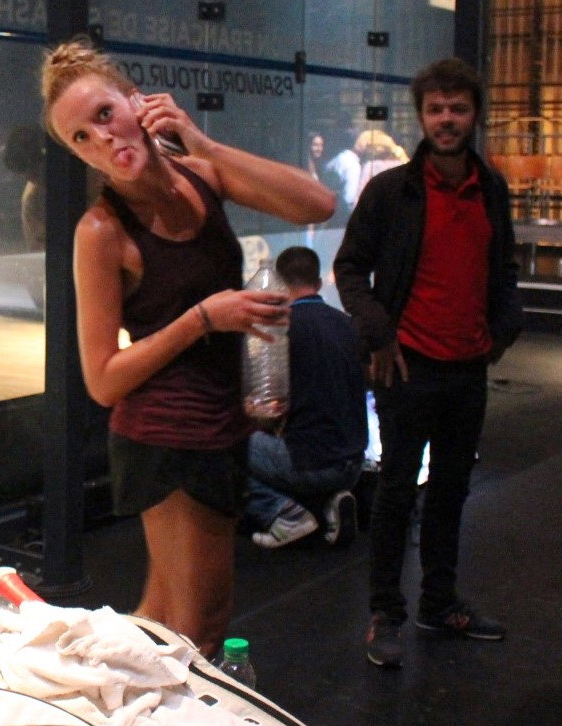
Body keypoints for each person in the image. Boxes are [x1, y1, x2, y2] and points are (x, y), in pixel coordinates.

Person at [40, 36, 335, 658]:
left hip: (221, 423)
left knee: (168, 617)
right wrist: (203, 318)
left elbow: (316, 202)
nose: (103, 140)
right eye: (81, 138)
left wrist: (202, 142)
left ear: (137, 101)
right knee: (195, 629)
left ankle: (87, 689)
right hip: (166, 435)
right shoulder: (100, 232)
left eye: (104, 114)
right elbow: (102, 379)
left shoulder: (200, 174)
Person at [333, 57, 524, 669]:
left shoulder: (490, 188)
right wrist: (378, 332)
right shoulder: (392, 191)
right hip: (407, 368)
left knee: (450, 490)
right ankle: (385, 614)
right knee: (396, 492)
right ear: (420, 116)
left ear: (474, 115)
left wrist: (503, 330)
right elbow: (349, 268)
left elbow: (505, 268)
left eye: (458, 108)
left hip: (468, 369)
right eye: (436, 109)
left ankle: (438, 603)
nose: (447, 119)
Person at [243, 246, 367, 549]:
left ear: (279, 285)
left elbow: (268, 405)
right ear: (319, 282)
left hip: (311, 463)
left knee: (225, 444)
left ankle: (282, 513)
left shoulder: (282, 329)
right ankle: (330, 502)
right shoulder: (347, 323)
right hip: (354, 464)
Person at [3, 124, 46, 310]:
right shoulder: (33, 198)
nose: (31, 177)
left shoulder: (92, 174)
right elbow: (37, 251)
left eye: (33, 169)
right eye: (27, 173)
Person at [322, 126, 362, 227]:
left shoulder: (334, 160)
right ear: (356, 144)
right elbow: (349, 197)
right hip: (341, 219)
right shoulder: (353, 165)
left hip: (327, 212)